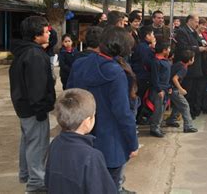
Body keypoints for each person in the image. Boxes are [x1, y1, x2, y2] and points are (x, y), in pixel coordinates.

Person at [67, 26, 138, 193]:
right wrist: (132, 142)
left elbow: (69, 94)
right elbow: (122, 113)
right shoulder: (116, 72)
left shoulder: (80, 64)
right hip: (110, 142)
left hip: (83, 136)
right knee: (110, 186)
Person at [9, 16, 56, 192]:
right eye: (46, 31)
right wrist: (41, 109)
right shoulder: (35, 55)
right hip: (34, 108)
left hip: (24, 106)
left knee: (28, 142)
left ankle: (27, 174)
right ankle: (36, 183)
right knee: (37, 145)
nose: (49, 33)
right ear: (36, 35)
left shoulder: (25, 51)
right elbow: (37, 86)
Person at [45, 88, 117, 194]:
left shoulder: (55, 143)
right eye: (94, 115)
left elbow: (48, 180)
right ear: (87, 122)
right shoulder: (91, 156)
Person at [175, 14, 207, 118]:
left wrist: (204, 45)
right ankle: (186, 113)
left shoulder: (194, 32)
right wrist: (199, 49)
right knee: (188, 90)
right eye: (196, 21)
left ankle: (192, 111)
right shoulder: (182, 31)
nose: (197, 24)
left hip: (196, 65)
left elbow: (198, 43)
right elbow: (183, 47)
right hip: (187, 66)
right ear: (189, 20)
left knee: (194, 91)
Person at [165, 50, 198, 133]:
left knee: (178, 105)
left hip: (169, 88)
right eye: (193, 58)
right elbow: (175, 78)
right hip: (173, 89)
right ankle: (188, 126)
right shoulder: (183, 68)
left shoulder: (179, 63)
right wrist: (181, 89)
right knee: (185, 105)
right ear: (190, 60)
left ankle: (171, 120)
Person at [130, 26, 156, 123]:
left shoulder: (144, 46)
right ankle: (136, 118)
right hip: (141, 76)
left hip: (141, 74)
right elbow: (147, 62)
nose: (153, 37)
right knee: (140, 97)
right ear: (147, 36)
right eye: (152, 34)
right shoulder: (143, 47)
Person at [149, 42, 172, 138]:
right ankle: (154, 128)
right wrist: (159, 90)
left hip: (165, 88)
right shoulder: (156, 62)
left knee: (162, 109)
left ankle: (158, 126)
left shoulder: (165, 61)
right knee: (158, 109)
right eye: (168, 49)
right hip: (159, 89)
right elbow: (155, 78)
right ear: (164, 50)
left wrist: (169, 87)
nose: (169, 51)